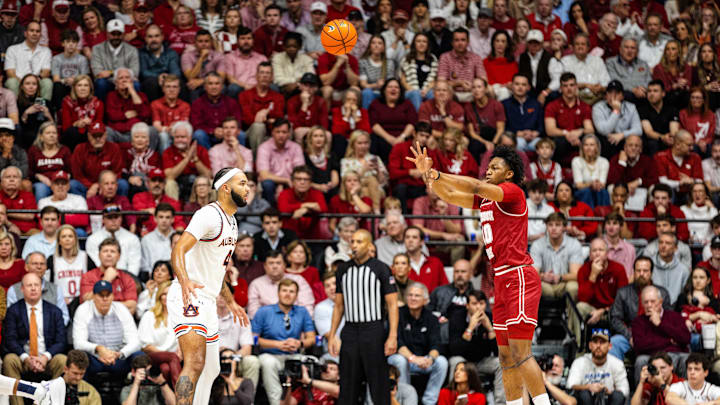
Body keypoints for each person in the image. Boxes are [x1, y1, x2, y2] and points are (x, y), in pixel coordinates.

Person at [407, 144, 551, 405]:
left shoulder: (512, 192)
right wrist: (428, 175)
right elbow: (449, 194)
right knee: (505, 357)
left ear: (508, 174)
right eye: (488, 166)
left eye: (495, 167)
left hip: (519, 276)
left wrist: (437, 173)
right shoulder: (488, 200)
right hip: (501, 279)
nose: (488, 171)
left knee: (521, 352)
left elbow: (472, 186)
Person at [168, 167, 250, 405]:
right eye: (242, 183)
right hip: (189, 294)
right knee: (194, 362)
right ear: (225, 188)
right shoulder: (209, 215)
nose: (248, 188)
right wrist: (184, 280)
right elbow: (178, 249)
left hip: (208, 300)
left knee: (212, 369)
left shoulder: (232, 222)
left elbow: (217, 270)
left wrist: (232, 302)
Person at [327, 229, 398, 405]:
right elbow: (338, 305)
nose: (354, 246)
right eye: (352, 242)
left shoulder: (381, 268)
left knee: (378, 381)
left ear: (369, 245)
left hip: (373, 329)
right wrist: (332, 334)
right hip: (350, 330)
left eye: (359, 242)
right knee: (348, 382)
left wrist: (392, 336)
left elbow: (392, 304)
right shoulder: (343, 269)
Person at [2, 272, 66, 405]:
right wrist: (26, 358)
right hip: (23, 359)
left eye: (36, 285)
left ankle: (51, 402)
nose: (33, 288)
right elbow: (9, 340)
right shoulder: (13, 311)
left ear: (41, 288)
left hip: (47, 359)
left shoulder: (54, 311)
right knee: (9, 360)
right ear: (22, 289)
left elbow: (61, 341)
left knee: (62, 360)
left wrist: (45, 357)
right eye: (29, 285)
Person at [251, 278, 316, 405]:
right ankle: (276, 402)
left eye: (291, 291)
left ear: (297, 295)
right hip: (270, 355)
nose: (287, 294)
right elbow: (253, 339)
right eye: (284, 290)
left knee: (312, 362)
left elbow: (311, 339)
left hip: (294, 354)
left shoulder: (302, 312)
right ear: (278, 293)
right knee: (268, 363)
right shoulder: (264, 311)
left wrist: (299, 343)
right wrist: (277, 344)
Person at [73, 280, 142, 376]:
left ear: (113, 296)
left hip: (118, 359)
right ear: (93, 296)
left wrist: (120, 354)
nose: (105, 299)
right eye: (101, 295)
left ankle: (135, 389)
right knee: (78, 356)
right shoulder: (83, 309)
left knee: (140, 356)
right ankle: (81, 390)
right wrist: (98, 349)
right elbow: (78, 343)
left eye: (108, 295)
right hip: (94, 359)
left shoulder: (121, 309)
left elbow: (135, 342)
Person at [446, 290, 504, 405]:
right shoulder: (457, 318)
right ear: (467, 305)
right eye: (474, 304)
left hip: (482, 361)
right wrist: (470, 328)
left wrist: (490, 329)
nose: (478, 307)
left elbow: (499, 352)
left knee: (500, 363)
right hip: (463, 361)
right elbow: (455, 350)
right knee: (455, 361)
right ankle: (453, 401)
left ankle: (500, 403)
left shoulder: (491, 318)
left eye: (481, 303)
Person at [632, 285, 691, 383]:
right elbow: (640, 346)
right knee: (640, 360)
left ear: (660, 302)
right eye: (646, 302)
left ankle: (685, 394)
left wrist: (660, 324)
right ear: (642, 304)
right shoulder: (638, 322)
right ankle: (643, 395)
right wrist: (669, 341)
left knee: (686, 358)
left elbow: (685, 338)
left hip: (674, 355)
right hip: (650, 356)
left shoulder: (674, 316)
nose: (649, 305)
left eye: (652, 301)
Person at [566, 328, 630, 405]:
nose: (598, 346)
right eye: (595, 342)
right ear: (590, 345)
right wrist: (588, 387)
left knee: (618, 396)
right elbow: (570, 385)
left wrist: (608, 391)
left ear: (609, 346)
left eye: (602, 342)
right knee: (584, 394)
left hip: (609, 401)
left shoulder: (617, 363)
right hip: (586, 401)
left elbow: (625, 390)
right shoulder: (579, 362)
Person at [246, 250, 315, 319]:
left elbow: (308, 308)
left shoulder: (298, 280)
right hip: (267, 326)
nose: (275, 266)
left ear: (284, 265)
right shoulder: (256, 284)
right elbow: (253, 312)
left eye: (278, 263)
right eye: (271, 263)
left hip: (296, 324)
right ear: (265, 266)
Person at [137, 281, 181, 386]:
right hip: (153, 355)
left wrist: (180, 353)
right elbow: (145, 345)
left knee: (165, 368)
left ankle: (172, 398)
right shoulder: (149, 315)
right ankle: (182, 396)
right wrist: (167, 354)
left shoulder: (179, 316)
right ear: (159, 296)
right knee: (171, 358)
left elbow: (183, 340)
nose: (167, 297)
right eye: (164, 294)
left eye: (170, 294)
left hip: (173, 358)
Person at [530, 212, 582, 300]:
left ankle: (570, 314)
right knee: (537, 286)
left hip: (564, 282)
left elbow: (576, 274)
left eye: (557, 225)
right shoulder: (537, 244)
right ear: (546, 226)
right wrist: (543, 277)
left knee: (573, 287)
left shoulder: (574, 244)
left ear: (564, 228)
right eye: (550, 225)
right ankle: (539, 314)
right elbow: (533, 273)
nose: (553, 228)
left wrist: (560, 277)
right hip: (544, 282)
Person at [46, 224, 95, 305]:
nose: (67, 239)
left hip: (83, 302)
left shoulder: (85, 257)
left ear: (75, 239)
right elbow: (47, 285)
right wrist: (57, 298)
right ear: (59, 241)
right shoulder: (52, 260)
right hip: (60, 302)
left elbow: (94, 279)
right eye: (64, 236)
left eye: (70, 236)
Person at [4, 21, 52, 99]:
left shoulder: (46, 51)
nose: (35, 33)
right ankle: (15, 110)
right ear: (25, 33)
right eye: (31, 30)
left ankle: (43, 109)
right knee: (11, 82)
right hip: (19, 83)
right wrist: (24, 84)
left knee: (47, 82)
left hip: (37, 83)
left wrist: (33, 83)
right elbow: (10, 73)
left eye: (37, 31)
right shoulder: (12, 49)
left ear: (40, 35)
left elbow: (46, 72)